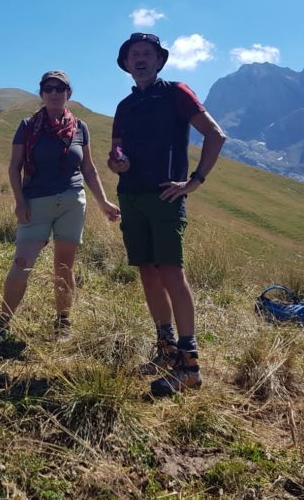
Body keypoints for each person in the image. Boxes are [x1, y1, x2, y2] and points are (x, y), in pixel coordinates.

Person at [107, 32, 227, 397]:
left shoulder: (177, 92)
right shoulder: (125, 107)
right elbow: (116, 156)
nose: (141, 59)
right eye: (134, 55)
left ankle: (189, 365)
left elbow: (215, 135)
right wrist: (118, 164)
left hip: (165, 196)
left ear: (159, 61)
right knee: (147, 270)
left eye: (148, 53)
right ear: (126, 64)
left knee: (171, 271)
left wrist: (194, 181)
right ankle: (166, 349)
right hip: (131, 196)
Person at [0, 71, 120, 340]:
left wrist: (103, 201)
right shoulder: (27, 126)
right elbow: (14, 167)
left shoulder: (80, 127)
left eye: (60, 88)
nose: (54, 93)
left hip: (72, 202)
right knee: (21, 263)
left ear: (68, 93)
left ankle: (63, 322)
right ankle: (2, 322)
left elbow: (88, 169)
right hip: (35, 203)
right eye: (49, 88)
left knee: (64, 267)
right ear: (41, 94)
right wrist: (19, 201)